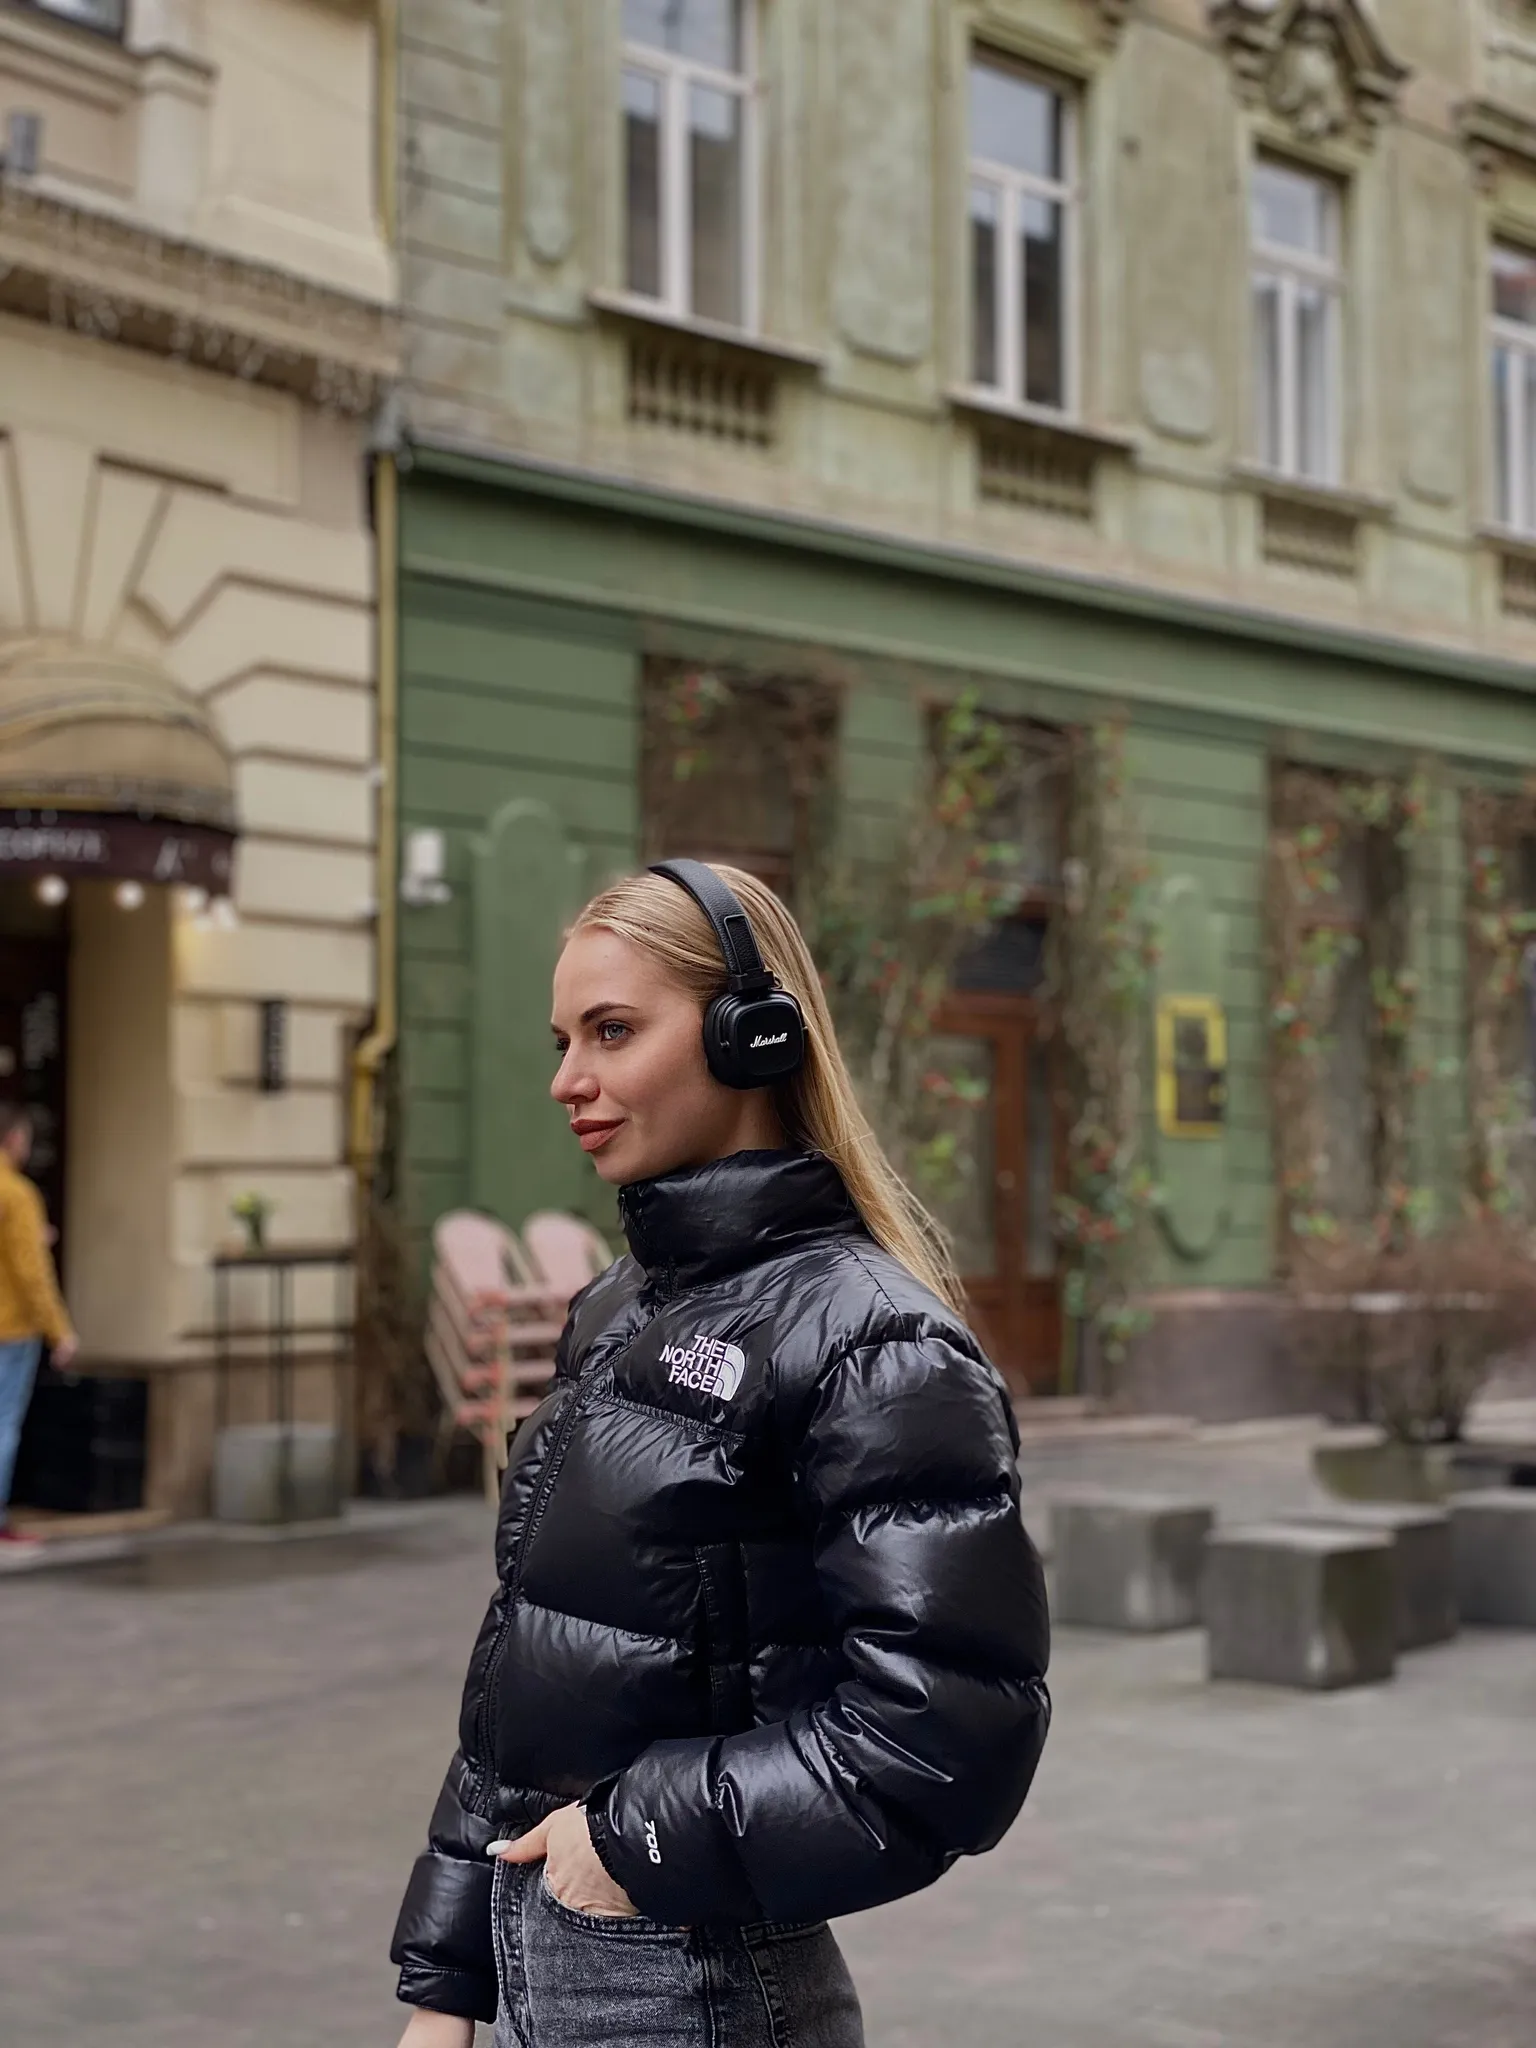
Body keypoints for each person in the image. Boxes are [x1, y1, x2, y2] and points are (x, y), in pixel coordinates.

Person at [391, 861, 1051, 2048]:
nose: (567, 1079)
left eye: (612, 1030)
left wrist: (631, 1840)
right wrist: (446, 1985)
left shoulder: (875, 1337)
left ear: (754, 1037)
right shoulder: (617, 1307)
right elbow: (527, 1663)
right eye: (563, 1038)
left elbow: (947, 1736)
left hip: (687, 1986)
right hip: (544, 1955)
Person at [0, 1104, 76, 1548]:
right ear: (12, 1139)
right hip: (10, 1328)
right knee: (4, 1422)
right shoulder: (17, 1193)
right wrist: (59, 1329)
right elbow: (31, 1272)